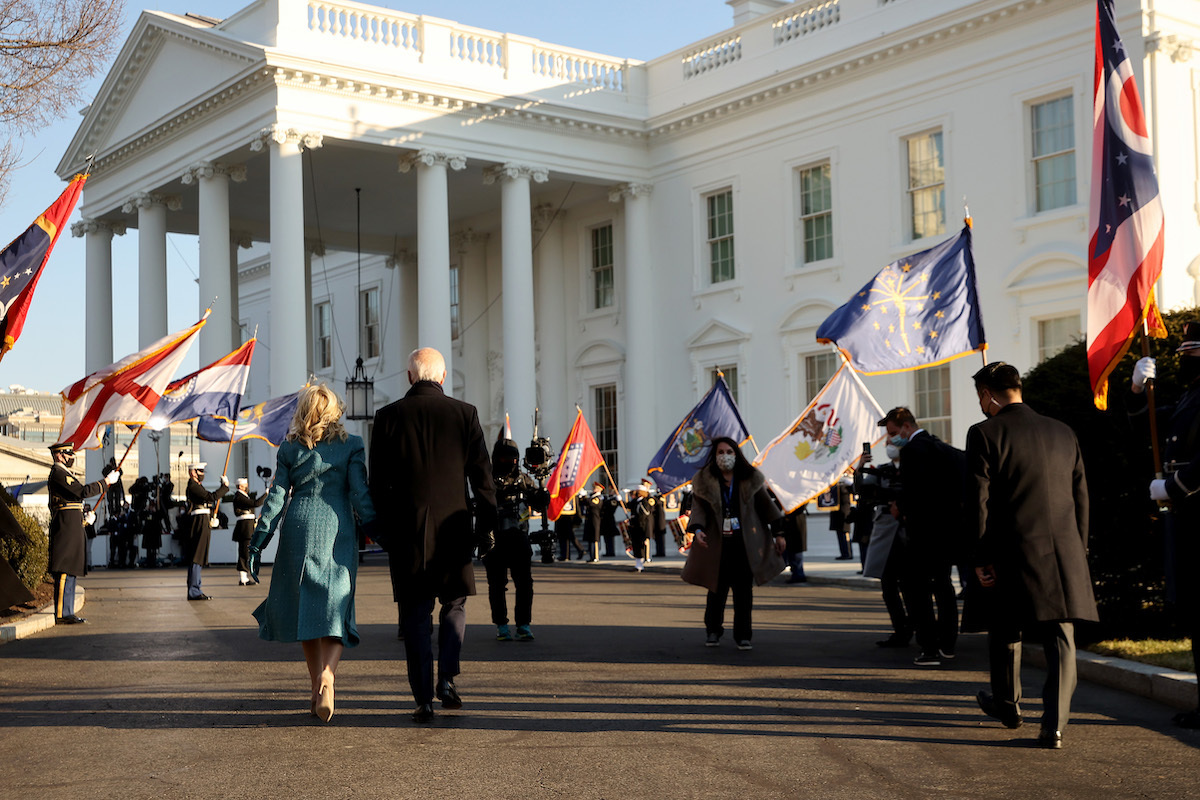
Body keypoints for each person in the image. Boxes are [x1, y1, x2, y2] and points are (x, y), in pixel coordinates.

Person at [966, 362, 1097, 750]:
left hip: (1012, 549)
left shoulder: (984, 433)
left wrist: (980, 556)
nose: (981, 404)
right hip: (1064, 551)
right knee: (1061, 637)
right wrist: (1079, 548)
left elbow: (978, 503)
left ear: (987, 395)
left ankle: (1008, 705)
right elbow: (1081, 497)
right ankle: (1053, 726)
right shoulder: (1063, 431)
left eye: (980, 397)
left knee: (1006, 629)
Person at [369, 347, 497, 723]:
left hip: (407, 531)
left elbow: (378, 486)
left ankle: (422, 697)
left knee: (415, 615)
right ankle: (448, 680)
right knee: (454, 606)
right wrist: (487, 527)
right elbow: (483, 479)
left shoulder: (387, 417)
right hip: (454, 527)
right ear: (442, 377)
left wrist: (385, 530)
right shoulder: (465, 414)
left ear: (410, 376)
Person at [247, 384, 377, 723]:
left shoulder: (290, 448)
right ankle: (327, 678)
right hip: (337, 528)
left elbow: (276, 497)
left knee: (305, 608)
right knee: (337, 605)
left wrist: (258, 541)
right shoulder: (352, 445)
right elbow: (360, 495)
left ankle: (314, 686)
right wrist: (378, 529)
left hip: (299, 526)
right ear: (335, 410)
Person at [1130, 324, 1200, 729]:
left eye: (1189, 354)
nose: (1183, 362)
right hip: (1188, 518)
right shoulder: (1192, 396)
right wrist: (1139, 392)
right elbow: (1151, 429)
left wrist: (1174, 486)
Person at [682, 436, 786, 650]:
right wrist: (698, 530)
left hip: (745, 544)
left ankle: (743, 635)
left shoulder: (751, 479)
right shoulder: (704, 481)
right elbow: (699, 509)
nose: (725, 456)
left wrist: (779, 533)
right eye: (720, 452)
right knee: (716, 591)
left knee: (743, 593)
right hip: (717, 545)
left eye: (729, 452)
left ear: (736, 454)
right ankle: (713, 631)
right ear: (714, 456)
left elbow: (767, 507)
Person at [880, 406, 963, 667]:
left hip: (923, 532)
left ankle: (929, 647)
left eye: (893, 432)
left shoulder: (914, 450)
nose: (891, 439)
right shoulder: (940, 446)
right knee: (943, 586)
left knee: (918, 591)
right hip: (946, 531)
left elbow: (916, 491)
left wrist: (899, 507)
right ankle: (948, 645)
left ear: (906, 426)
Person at [47, 442, 119, 624]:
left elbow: (74, 501)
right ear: (59, 456)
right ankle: (62, 613)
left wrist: (86, 519)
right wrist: (106, 482)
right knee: (64, 569)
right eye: (68, 454)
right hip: (65, 528)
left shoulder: (65, 474)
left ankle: (68, 611)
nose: (72, 457)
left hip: (71, 525)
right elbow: (82, 492)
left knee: (70, 569)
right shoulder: (58, 473)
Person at [859, 441, 912, 647]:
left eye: (893, 440)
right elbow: (862, 491)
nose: (889, 445)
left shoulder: (913, 467)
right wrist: (859, 468)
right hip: (886, 535)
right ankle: (901, 629)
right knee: (888, 587)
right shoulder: (883, 470)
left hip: (907, 535)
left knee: (910, 587)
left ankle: (915, 626)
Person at [486, 436, 537, 642]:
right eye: (505, 458)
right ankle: (501, 624)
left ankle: (523, 624)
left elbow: (536, 500)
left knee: (524, 583)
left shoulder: (524, 479)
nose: (510, 462)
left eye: (513, 458)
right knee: (497, 584)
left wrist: (541, 497)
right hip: (494, 539)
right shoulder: (487, 479)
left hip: (519, 537)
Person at [181, 461, 228, 601]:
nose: (202, 474)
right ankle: (194, 590)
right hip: (199, 521)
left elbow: (209, 500)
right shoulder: (193, 486)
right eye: (200, 471)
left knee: (199, 556)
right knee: (197, 555)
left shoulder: (197, 486)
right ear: (192, 472)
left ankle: (194, 588)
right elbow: (211, 497)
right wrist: (224, 487)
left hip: (203, 519)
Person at [232, 478, 267, 586]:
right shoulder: (239, 496)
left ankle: (244, 577)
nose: (247, 486)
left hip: (247, 526)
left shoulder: (242, 496)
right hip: (244, 528)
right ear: (241, 486)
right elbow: (255, 503)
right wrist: (266, 494)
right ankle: (243, 578)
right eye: (245, 484)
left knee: (246, 552)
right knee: (244, 552)